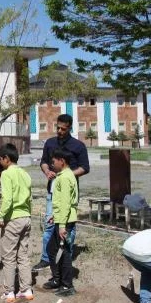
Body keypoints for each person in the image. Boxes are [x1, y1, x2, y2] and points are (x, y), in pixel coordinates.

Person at [33, 114, 89, 272]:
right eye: (57, 127)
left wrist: (67, 174)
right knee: (49, 224)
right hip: (52, 192)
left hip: (69, 194)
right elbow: (44, 162)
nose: (59, 131)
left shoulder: (78, 146)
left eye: (62, 129)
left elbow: (85, 167)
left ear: (70, 127)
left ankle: (66, 258)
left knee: (68, 226)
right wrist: (47, 172)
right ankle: (46, 258)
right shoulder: (50, 143)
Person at [0, 143, 34, 303]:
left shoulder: (6, 174)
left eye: (0, 159)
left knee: (9, 256)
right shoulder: (25, 173)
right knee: (23, 255)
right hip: (26, 217)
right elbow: (30, 197)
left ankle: (9, 292)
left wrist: (1, 216)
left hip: (13, 218)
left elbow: (8, 198)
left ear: (6, 158)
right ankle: (26, 289)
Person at [42, 148, 78, 297]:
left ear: (62, 161)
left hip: (65, 222)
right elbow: (62, 203)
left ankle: (66, 285)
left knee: (64, 253)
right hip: (62, 219)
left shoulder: (63, 178)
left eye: (53, 162)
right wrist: (55, 217)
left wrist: (61, 225)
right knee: (52, 249)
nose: (51, 165)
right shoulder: (67, 175)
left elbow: (65, 203)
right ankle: (58, 279)